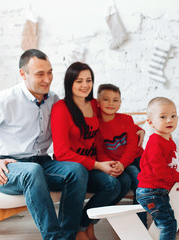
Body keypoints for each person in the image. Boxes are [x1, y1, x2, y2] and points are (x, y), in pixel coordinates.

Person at [0, 49, 88, 240]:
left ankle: (69, 236)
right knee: (31, 171)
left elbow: (82, 121)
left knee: (77, 171)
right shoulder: (4, 100)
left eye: (50, 72)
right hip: (7, 168)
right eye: (40, 74)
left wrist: (132, 130)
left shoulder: (54, 100)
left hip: (42, 163)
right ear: (23, 74)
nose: (47, 79)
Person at [51, 62, 132, 240]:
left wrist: (137, 130)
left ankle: (84, 224)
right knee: (112, 185)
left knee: (124, 181)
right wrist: (98, 165)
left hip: (96, 163)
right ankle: (80, 229)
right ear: (69, 82)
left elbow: (115, 121)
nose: (85, 85)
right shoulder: (61, 109)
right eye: (79, 81)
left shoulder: (95, 104)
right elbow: (62, 152)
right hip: (73, 168)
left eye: (88, 80)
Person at [136, 97, 179, 240]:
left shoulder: (169, 141)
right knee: (168, 223)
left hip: (158, 191)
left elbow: (174, 165)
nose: (169, 120)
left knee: (167, 221)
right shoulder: (155, 142)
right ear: (150, 122)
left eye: (173, 116)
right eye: (163, 117)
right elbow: (160, 170)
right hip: (151, 191)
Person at [95, 83, 147, 226]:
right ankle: (137, 224)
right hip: (119, 163)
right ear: (97, 102)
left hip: (135, 157)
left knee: (148, 180)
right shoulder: (96, 125)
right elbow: (100, 151)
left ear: (120, 103)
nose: (111, 103)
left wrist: (123, 163)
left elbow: (131, 147)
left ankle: (144, 222)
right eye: (106, 99)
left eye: (115, 100)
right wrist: (113, 165)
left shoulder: (126, 120)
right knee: (137, 179)